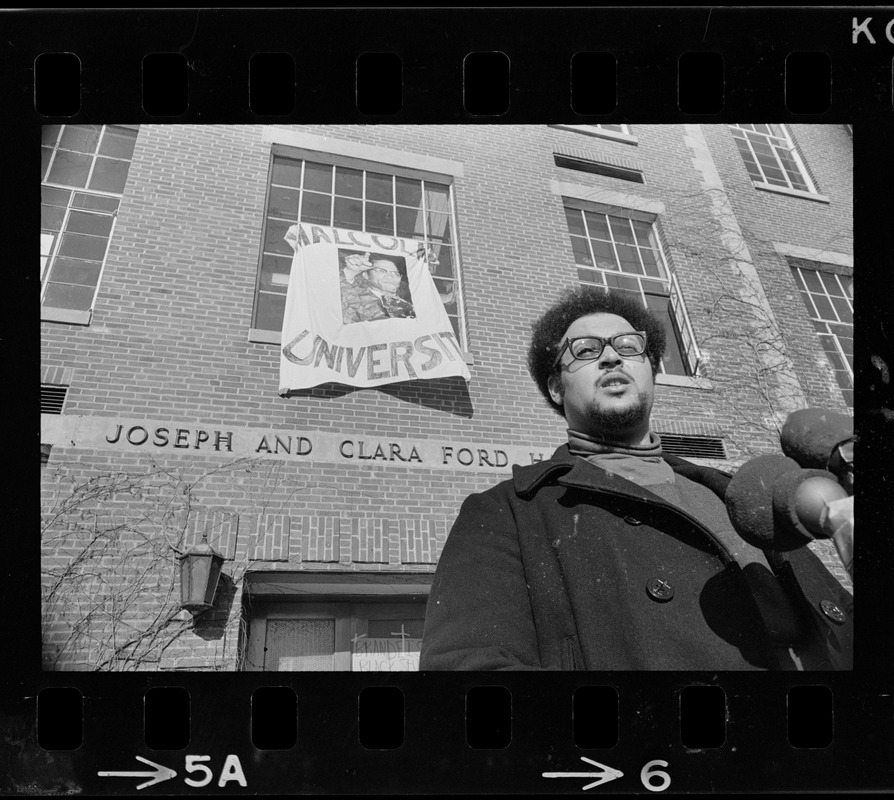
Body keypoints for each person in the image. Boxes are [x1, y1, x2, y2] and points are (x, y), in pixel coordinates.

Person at [420, 287, 853, 670]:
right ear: (556, 387)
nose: (612, 356)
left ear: (650, 368)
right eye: (586, 350)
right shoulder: (507, 511)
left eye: (628, 345)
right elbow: (468, 670)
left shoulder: (744, 496)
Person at [340, 255, 416, 323]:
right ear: (365, 275)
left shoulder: (413, 303)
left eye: (395, 273)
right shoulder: (353, 299)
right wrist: (349, 272)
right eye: (381, 271)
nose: (390, 276)